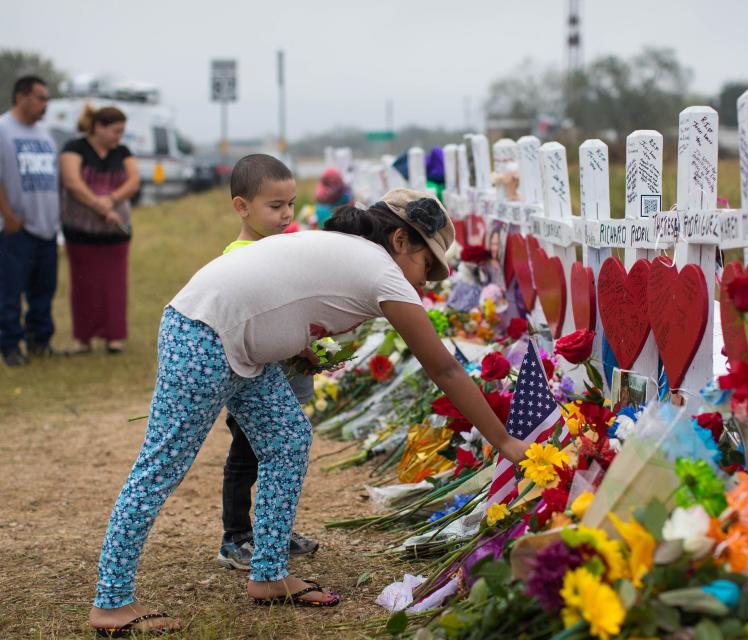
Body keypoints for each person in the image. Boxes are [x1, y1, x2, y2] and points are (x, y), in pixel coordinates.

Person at [88, 184, 528, 635]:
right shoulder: (382, 272)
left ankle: (270, 574)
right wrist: (505, 441)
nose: (425, 279)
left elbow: (277, 293)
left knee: (287, 439)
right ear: (400, 241)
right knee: (161, 468)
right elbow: (446, 370)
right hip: (203, 336)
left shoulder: (351, 253)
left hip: (237, 345)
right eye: (426, 263)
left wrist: (300, 346)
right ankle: (111, 601)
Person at [216, 154, 319, 571]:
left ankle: (274, 529)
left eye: (291, 204)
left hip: (283, 377)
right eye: (275, 207)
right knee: (246, 457)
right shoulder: (239, 257)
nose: (286, 214)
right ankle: (236, 536)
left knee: (281, 456)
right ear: (242, 206)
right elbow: (260, 323)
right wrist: (300, 345)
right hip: (252, 381)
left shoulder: (278, 249)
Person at [60, 105, 140, 354]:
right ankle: (84, 339)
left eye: (122, 132)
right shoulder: (74, 148)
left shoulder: (122, 152)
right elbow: (72, 182)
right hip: (81, 232)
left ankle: (114, 338)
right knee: (84, 285)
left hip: (116, 233)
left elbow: (133, 180)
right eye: (115, 131)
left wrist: (112, 199)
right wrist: (101, 207)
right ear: (98, 127)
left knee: (115, 284)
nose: (119, 137)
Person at [0, 75, 60, 366]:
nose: (45, 104)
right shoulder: (3, 129)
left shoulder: (44, 134)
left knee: (43, 291)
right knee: (10, 292)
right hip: (16, 229)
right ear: (21, 96)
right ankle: (10, 347)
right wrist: (7, 215)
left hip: (46, 227)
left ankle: (40, 341)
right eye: (40, 98)